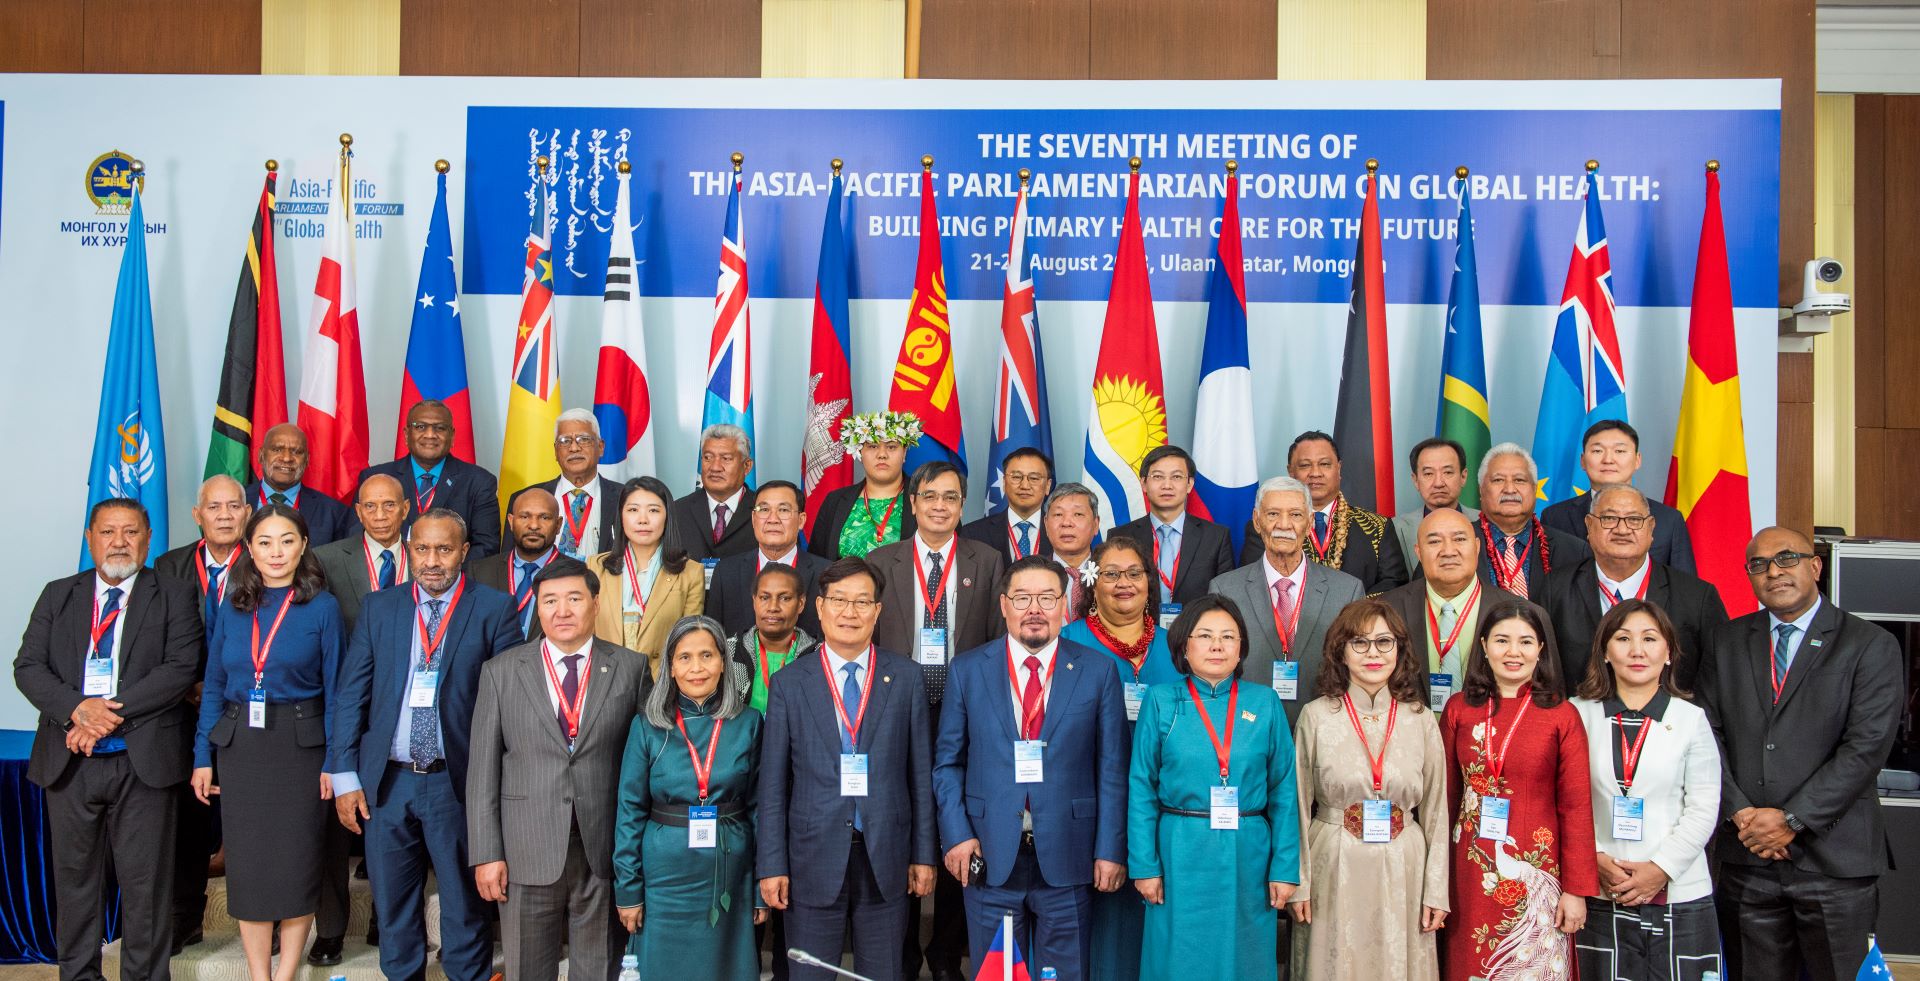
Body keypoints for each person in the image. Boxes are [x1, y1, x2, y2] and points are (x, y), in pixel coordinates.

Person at [1699, 527, 1903, 981]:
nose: (1773, 571)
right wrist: (1741, 814)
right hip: (1747, 857)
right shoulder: (1725, 641)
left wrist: (1791, 820)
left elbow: (1865, 748)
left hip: (1834, 861)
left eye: (1786, 558)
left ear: (1815, 566)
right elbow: (1706, 735)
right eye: (1759, 564)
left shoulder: (1869, 644)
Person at [325, 507, 521, 981]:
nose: (432, 560)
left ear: (464, 553)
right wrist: (345, 774)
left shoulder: (495, 608)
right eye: (422, 549)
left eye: (444, 549)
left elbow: (511, 707)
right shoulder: (380, 607)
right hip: (388, 784)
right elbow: (352, 695)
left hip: (457, 783)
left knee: (462, 903)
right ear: (408, 550)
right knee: (392, 904)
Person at [15, 498, 203, 980]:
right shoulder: (58, 595)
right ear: (89, 538)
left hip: (143, 764)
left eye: (131, 532)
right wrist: (79, 709)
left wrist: (103, 715)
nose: (119, 542)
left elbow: (179, 669)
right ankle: (78, 975)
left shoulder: (176, 595)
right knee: (75, 882)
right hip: (69, 762)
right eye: (108, 532)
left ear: (147, 537)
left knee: (146, 886)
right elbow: (29, 667)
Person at [935, 556, 1129, 981]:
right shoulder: (968, 669)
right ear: (1004, 605)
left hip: (1070, 852)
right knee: (996, 974)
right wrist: (957, 835)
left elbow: (1112, 769)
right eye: (1022, 598)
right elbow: (948, 763)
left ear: (1065, 605)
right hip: (987, 853)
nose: (1034, 609)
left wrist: (1110, 848)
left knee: (1064, 974)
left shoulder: (1098, 671)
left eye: (1046, 597)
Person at [466, 557, 652, 981]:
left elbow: (644, 765)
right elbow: (482, 773)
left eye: (573, 598)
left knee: (597, 968)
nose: (562, 611)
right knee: (528, 969)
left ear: (595, 603)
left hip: (602, 847)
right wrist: (486, 852)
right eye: (549, 601)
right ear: (536, 606)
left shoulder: (630, 667)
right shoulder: (500, 672)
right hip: (524, 848)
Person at [757, 557, 938, 981]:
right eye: (839, 600)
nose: (850, 612)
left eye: (862, 602)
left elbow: (920, 775)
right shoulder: (790, 682)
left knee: (884, 973)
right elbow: (772, 786)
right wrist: (771, 864)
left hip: (887, 858)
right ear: (819, 608)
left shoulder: (907, 678)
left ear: (878, 611)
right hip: (810, 857)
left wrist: (923, 855)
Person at [190, 504, 347, 981]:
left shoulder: (323, 607)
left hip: (302, 751)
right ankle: (260, 976)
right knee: (251, 868)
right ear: (249, 549)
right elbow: (214, 683)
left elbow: (339, 692)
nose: (276, 552)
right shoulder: (233, 604)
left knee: (297, 864)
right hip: (242, 749)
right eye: (264, 542)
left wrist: (337, 763)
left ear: (303, 546)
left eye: (286, 541)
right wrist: (202, 757)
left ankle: (286, 974)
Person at [868, 460, 1004, 979]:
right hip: (897, 713)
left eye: (950, 497)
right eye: (930, 497)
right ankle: (900, 952)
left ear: (962, 505)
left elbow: (995, 642)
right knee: (900, 826)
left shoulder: (987, 560)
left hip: (962, 716)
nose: (940, 506)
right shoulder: (884, 560)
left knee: (958, 827)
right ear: (913, 502)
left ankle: (946, 953)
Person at [1128, 595, 1300, 981]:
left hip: (1249, 855)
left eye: (1228, 636)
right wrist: (1143, 864)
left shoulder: (1265, 702)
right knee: (1178, 959)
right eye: (1204, 635)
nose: (1217, 645)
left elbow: (1285, 792)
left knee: (1244, 958)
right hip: (1178, 853)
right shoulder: (1160, 700)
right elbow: (1141, 788)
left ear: (1242, 649)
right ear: (1184, 646)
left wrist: (1285, 867)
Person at [1287, 599, 1448, 981]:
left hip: (1405, 865)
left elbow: (1438, 810)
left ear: (1400, 649)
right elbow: (1295, 803)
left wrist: (1437, 889)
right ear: (1340, 651)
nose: (1372, 653)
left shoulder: (1420, 718)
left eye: (1384, 642)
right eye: (1359, 643)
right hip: (1334, 861)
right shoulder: (1318, 715)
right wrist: (1299, 883)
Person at [1440, 600, 1597, 981]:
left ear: (1541, 650)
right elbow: (1443, 800)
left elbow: (1576, 807)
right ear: (1483, 645)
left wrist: (1576, 890)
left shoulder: (1561, 715)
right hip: (1467, 872)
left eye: (1526, 642)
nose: (1514, 652)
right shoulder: (1459, 709)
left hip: (1538, 869)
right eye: (1502, 641)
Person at [1569, 599, 1723, 981]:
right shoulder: (1577, 714)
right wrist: (1593, 858)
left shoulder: (1691, 720)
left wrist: (1660, 869)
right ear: (1605, 651)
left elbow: (1703, 808)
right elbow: (1564, 802)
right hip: (1598, 890)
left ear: (1668, 652)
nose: (1637, 650)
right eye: (1623, 638)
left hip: (1679, 893)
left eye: (1650, 639)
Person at [615, 615, 766, 979]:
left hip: (729, 873)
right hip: (663, 879)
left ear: (723, 662)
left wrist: (762, 885)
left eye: (706, 655)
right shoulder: (647, 727)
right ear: (669, 666)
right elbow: (629, 810)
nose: (696, 668)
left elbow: (762, 807)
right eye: (684, 657)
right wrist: (628, 888)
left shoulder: (749, 722)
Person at [1058, 536, 1175, 981]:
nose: (1123, 583)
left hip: (1163, 811)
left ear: (1150, 582)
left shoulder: (1179, 646)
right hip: (1090, 810)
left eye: (1134, 573)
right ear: (1092, 582)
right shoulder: (1067, 642)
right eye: (1110, 574)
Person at [153, 475, 251, 952]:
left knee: (252, 816)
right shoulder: (168, 566)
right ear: (199, 515)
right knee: (186, 821)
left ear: (248, 514)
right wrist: (185, 684)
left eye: (235, 506)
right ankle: (184, 918)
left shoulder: (266, 558)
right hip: (182, 708)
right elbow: (151, 637)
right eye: (215, 507)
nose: (226, 515)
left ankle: (263, 918)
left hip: (247, 709)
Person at [1541, 483, 1727, 691]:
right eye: (1609, 518)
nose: (1622, 529)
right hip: (1580, 719)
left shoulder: (1697, 597)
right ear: (1589, 525)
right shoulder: (1554, 589)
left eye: (1634, 520)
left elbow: (1718, 677)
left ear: (1651, 527)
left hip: (1668, 720)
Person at [1210, 476, 1365, 724]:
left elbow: (1358, 669)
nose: (1284, 524)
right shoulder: (1225, 589)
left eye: (1295, 515)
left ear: (1310, 522)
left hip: (1325, 727)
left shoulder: (1348, 590)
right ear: (1257, 521)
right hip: (1247, 725)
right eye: (1272, 514)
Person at [1380, 508, 1542, 713]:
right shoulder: (1385, 610)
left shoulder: (1523, 614)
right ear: (1418, 552)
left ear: (1476, 547)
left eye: (1459, 539)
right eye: (1434, 542)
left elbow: (1545, 695)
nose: (1448, 551)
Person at [1243, 431, 1407, 596]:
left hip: (1358, 620)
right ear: (1291, 472)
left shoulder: (1377, 526)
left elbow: (1394, 586)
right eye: (1305, 465)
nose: (1315, 473)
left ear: (1339, 468)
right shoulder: (1268, 526)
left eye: (1325, 464)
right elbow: (1252, 584)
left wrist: (1352, 613)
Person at [585, 476, 707, 676]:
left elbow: (689, 639)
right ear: (621, 516)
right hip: (603, 677)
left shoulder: (690, 572)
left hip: (661, 682)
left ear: (667, 516)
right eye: (633, 510)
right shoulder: (596, 566)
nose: (643, 519)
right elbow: (586, 630)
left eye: (653, 510)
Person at [1539, 420, 1697, 573]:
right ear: (1582, 461)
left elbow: (1685, 588)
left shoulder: (1669, 519)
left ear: (1637, 460)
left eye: (1620, 451)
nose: (1608, 460)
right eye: (1597, 451)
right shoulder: (1554, 517)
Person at [357, 399, 501, 558]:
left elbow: (487, 547)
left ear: (452, 436)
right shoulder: (374, 478)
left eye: (440, 428)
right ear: (406, 434)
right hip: (388, 576)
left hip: (449, 579)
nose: (430, 435)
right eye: (420, 427)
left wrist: (441, 574)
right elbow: (355, 538)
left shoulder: (479, 482)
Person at [1111, 445, 1236, 619]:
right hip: (1136, 636)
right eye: (1158, 477)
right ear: (1144, 484)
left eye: (1176, 477)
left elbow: (1225, 599)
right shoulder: (1120, 537)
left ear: (1189, 484)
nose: (1167, 485)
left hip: (1196, 635)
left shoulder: (1216, 537)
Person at [707, 479, 828, 639]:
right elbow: (714, 638)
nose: (773, 519)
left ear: (801, 520)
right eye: (764, 509)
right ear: (753, 518)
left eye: (783, 510)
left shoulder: (826, 574)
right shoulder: (726, 572)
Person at [1474, 443, 1591, 604]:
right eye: (1498, 480)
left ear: (1535, 489)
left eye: (1520, 480)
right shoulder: (1458, 543)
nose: (1509, 489)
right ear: (1481, 490)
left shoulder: (1574, 551)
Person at [808, 410, 920, 560]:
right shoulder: (835, 501)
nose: (882, 454)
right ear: (859, 452)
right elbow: (816, 562)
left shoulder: (925, 498)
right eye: (873, 446)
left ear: (904, 453)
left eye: (891, 447)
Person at [313, 472, 410, 633]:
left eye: (389, 505)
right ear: (358, 511)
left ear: (405, 509)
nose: (380, 516)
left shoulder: (423, 557)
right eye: (370, 506)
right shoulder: (326, 559)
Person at [526, 408, 624, 560]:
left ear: (601, 447)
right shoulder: (525, 499)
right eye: (565, 441)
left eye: (583, 439)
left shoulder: (625, 498)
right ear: (555, 451)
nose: (574, 448)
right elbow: (509, 562)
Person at [469, 485, 562, 637]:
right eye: (525, 517)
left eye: (544, 517)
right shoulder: (479, 572)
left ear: (558, 525)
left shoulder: (575, 574)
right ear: (511, 522)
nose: (534, 526)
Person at [728, 562, 817, 714]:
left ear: (801, 604)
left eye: (785, 598)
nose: (773, 607)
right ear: (754, 601)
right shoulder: (728, 652)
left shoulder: (818, 656)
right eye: (764, 597)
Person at [248, 423, 353, 545]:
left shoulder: (334, 513)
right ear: (261, 455)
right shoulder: (238, 501)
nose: (287, 458)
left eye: (296, 452)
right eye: (277, 449)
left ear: (307, 460)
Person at [1391, 437, 1481, 578]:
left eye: (1448, 472)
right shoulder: (1395, 528)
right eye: (1428, 474)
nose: (1438, 483)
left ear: (1463, 477)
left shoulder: (1484, 522)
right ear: (1415, 480)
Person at [673, 423, 758, 563]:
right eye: (708, 457)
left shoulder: (764, 510)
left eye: (726, 458)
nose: (715, 467)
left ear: (747, 466)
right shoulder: (677, 511)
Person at [959, 446, 1054, 562]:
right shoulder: (972, 534)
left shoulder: (1061, 532)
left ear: (1048, 486)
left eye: (1034, 478)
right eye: (1016, 477)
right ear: (1004, 482)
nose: (1024, 485)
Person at [1042, 483, 1100, 623]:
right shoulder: (1032, 574)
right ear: (1046, 524)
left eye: (1078, 514)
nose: (1066, 523)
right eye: (1058, 514)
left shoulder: (1112, 573)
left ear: (1096, 524)